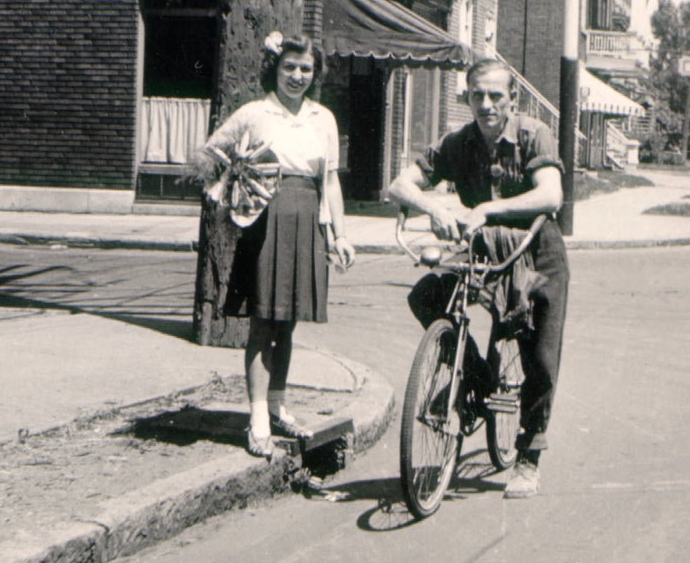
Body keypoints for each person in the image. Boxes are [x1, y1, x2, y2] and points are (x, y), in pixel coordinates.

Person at [387, 58, 568, 499]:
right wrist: (436, 209)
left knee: (539, 357)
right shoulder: (458, 141)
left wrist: (487, 209)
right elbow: (400, 185)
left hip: (535, 249)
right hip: (482, 248)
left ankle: (528, 456)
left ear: (512, 98)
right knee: (428, 296)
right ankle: (479, 376)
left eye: (495, 95)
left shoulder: (532, 133)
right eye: (477, 95)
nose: (486, 104)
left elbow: (551, 193)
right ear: (466, 96)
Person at [198, 31, 356, 459]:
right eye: (289, 67)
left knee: (288, 322)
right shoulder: (254, 113)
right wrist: (232, 187)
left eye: (306, 69)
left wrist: (340, 234)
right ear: (275, 67)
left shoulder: (323, 118)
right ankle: (258, 420)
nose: (297, 76)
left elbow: (331, 180)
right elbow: (212, 153)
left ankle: (278, 404)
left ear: (315, 74)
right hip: (265, 217)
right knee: (263, 321)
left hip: (308, 217)